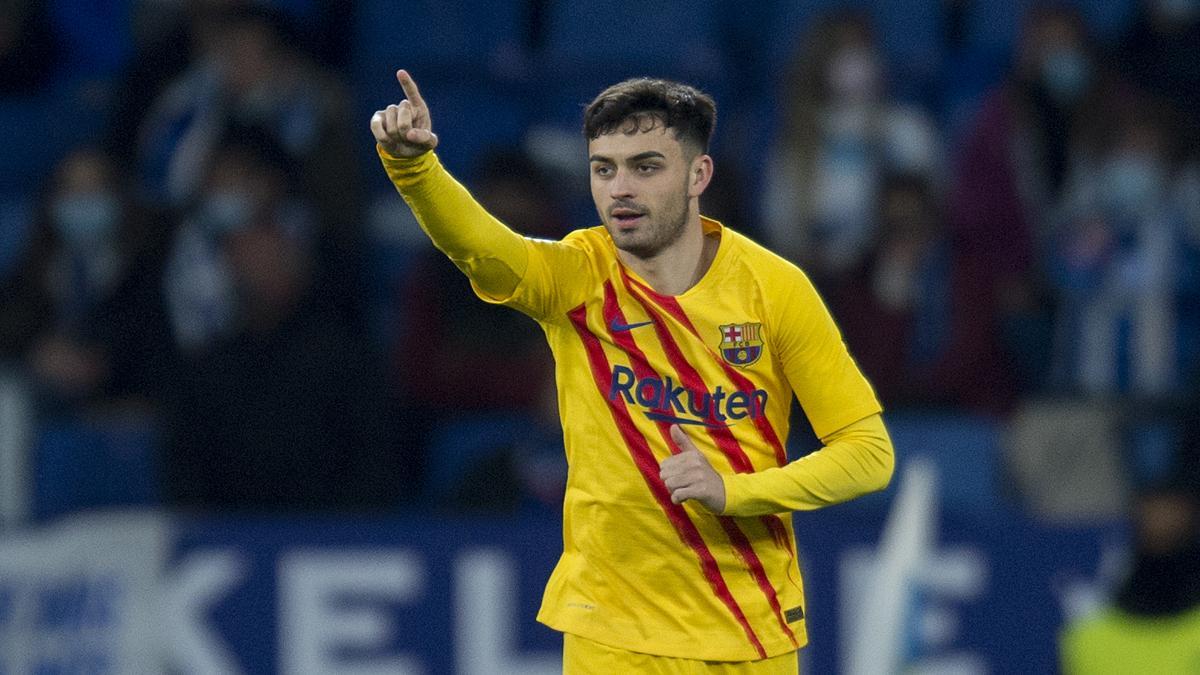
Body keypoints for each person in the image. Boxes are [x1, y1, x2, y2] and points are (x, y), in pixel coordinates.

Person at [371, 70, 894, 672]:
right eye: (604, 169)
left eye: (646, 167)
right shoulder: (576, 276)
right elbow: (481, 246)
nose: (620, 188)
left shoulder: (774, 289)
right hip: (611, 632)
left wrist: (735, 492)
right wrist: (413, 169)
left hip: (748, 630)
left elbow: (867, 454)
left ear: (698, 175)